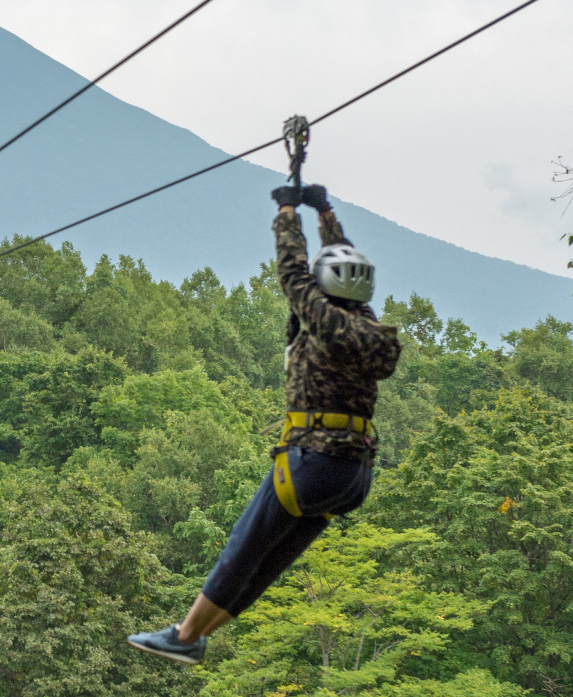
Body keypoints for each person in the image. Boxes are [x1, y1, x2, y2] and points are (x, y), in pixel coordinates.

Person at [129, 181, 401, 664]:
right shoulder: (371, 330)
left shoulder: (322, 318)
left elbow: (294, 271)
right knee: (270, 561)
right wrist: (326, 215)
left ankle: (186, 634)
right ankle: (198, 635)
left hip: (311, 461)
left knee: (245, 546)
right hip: (354, 475)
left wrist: (288, 212)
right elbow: (345, 272)